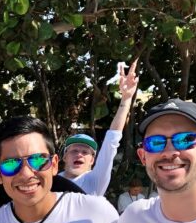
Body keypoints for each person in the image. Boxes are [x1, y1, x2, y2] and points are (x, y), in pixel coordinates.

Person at [60, 61, 140, 196]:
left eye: (85, 152)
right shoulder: (50, 182)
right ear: (64, 157)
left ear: (92, 160)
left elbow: (111, 140)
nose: (79, 154)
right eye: (74, 151)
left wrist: (126, 99)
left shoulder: (95, 181)